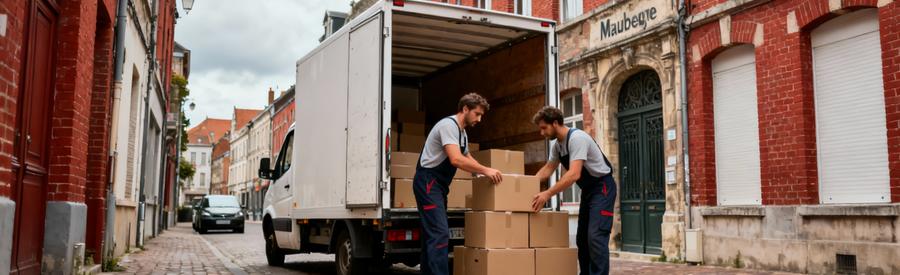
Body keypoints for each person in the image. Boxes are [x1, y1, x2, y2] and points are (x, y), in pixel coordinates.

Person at [413, 93, 503, 275]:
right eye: (477, 114)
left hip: (438, 186)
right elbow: (455, 159)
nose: (479, 119)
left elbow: (466, 155)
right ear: (465, 109)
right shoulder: (448, 126)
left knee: (432, 236)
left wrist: (480, 172)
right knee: (439, 234)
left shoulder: (462, 133)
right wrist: (486, 170)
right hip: (428, 182)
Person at [530, 106, 617, 275]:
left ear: (555, 123)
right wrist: (524, 185)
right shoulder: (557, 146)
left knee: (595, 237)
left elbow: (574, 174)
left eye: (543, 128)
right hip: (589, 191)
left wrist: (547, 193)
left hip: (603, 188)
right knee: (582, 239)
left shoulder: (577, 138)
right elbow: (548, 168)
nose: (542, 133)